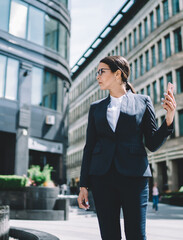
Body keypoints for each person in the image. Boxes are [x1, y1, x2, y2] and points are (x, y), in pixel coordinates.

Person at [77, 56, 176, 240]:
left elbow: (152, 143)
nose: (97, 76)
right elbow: (89, 147)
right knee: (109, 235)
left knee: (136, 235)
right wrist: (83, 185)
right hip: (102, 179)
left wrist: (168, 120)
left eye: (101, 71)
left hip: (134, 179)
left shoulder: (142, 102)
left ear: (117, 74)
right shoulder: (95, 108)